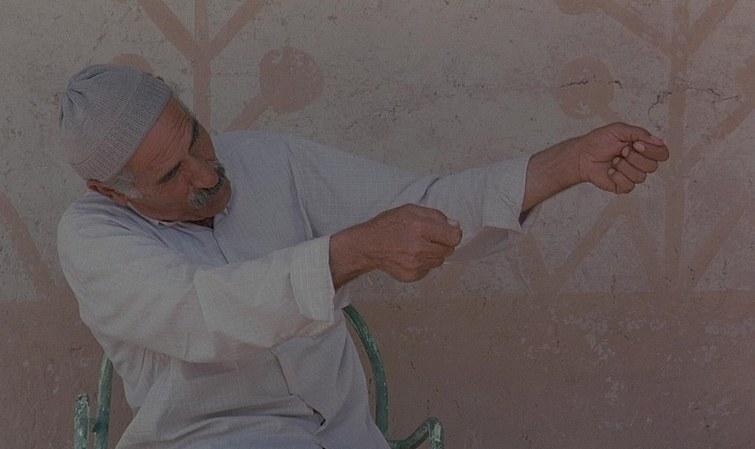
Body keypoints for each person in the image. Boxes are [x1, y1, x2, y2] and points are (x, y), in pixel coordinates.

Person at [57, 64, 669, 449]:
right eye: (171, 175)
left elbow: (422, 203)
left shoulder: (266, 159)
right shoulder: (93, 237)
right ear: (113, 192)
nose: (205, 172)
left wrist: (565, 165)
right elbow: (205, 313)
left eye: (195, 137)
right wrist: (352, 251)